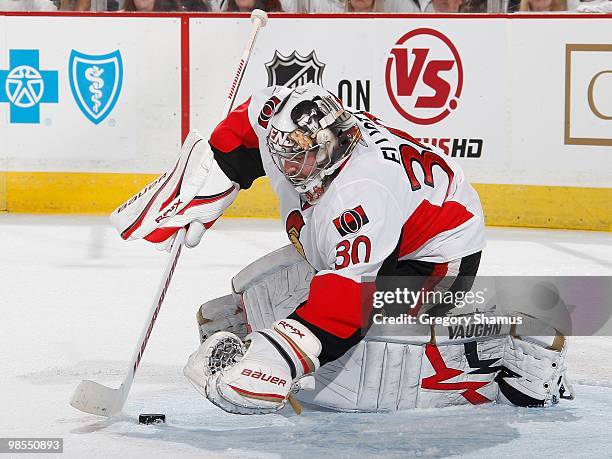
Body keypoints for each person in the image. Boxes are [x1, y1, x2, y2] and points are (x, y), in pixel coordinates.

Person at [111, 83, 572, 415]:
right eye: (284, 153)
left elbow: (344, 308)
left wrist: (277, 359)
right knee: (246, 304)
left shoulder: (360, 193)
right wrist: (209, 177)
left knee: (353, 382)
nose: (291, 166)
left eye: (304, 156)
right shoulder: (288, 122)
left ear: (336, 144)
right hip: (394, 226)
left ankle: (499, 347)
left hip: (434, 254)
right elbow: (246, 126)